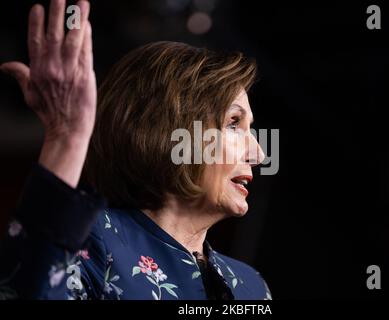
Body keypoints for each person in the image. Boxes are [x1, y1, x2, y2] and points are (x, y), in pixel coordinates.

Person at [0, 0, 272, 300]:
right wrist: (67, 137)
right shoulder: (88, 242)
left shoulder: (250, 286)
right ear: (170, 132)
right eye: (234, 123)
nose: (258, 153)